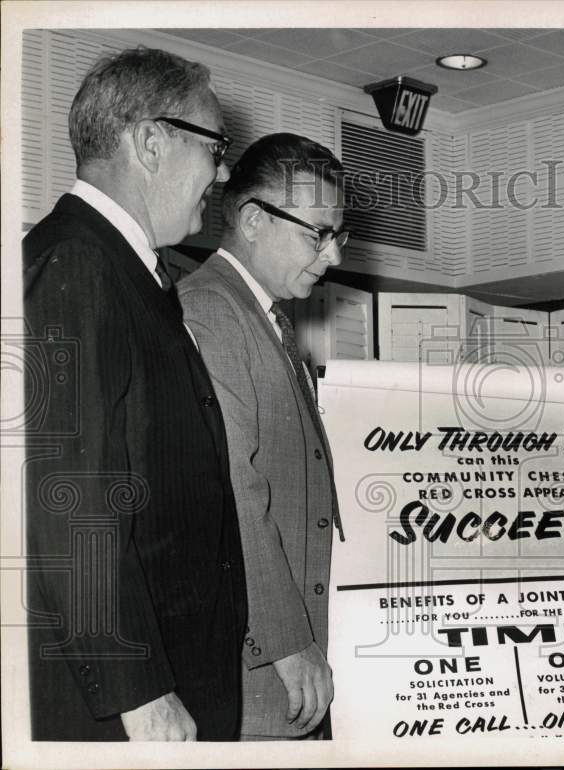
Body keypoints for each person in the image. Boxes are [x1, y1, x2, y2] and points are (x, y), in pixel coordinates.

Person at [22, 47, 247, 741]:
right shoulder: (78, 261)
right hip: (130, 706)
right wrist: (139, 689)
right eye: (215, 148)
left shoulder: (127, 268)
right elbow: (66, 492)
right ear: (151, 143)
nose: (223, 173)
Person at [178, 133, 346, 740]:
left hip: (292, 667)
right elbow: (235, 492)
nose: (333, 256)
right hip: (264, 672)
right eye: (317, 234)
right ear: (253, 220)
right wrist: (289, 642)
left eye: (338, 235)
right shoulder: (211, 308)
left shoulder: (265, 316)